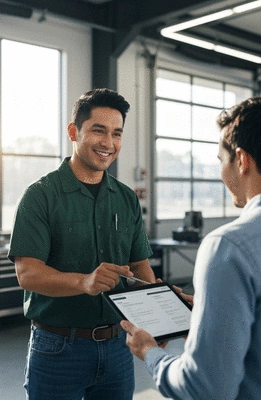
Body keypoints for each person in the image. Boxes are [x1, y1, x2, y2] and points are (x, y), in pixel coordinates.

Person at [8, 88, 156, 400]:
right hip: (59, 349)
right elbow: (28, 274)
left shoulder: (127, 198)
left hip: (117, 347)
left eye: (117, 133)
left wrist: (161, 309)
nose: (109, 143)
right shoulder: (40, 196)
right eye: (98, 131)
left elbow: (141, 266)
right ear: (74, 132)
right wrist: (84, 281)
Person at [121, 96, 261, 399]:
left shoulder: (229, 246)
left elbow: (205, 388)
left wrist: (149, 353)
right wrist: (213, 311)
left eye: (221, 161)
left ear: (241, 160)